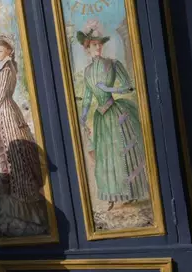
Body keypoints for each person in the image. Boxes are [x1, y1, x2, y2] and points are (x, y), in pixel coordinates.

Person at [77, 19, 148, 211]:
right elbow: (88, 97)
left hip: (116, 112)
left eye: (100, 44)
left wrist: (108, 88)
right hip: (101, 118)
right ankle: (111, 196)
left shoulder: (113, 64)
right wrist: (83, 115)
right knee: (105, 157)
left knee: (120, 154)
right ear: (87, 48)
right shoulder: (88, 71)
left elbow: (129, 86)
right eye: (94, 45)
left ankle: (130, 193)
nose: (98, 47)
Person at [0, 35, 47, 230]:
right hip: (5, 113)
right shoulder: (3, 69)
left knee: (18, 157)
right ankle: (23, 209)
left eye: (1, 51)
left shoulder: (8, 69)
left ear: (9, 51)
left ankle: (31, 209)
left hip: (9, 113)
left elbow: (2, 96)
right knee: (13, 158)